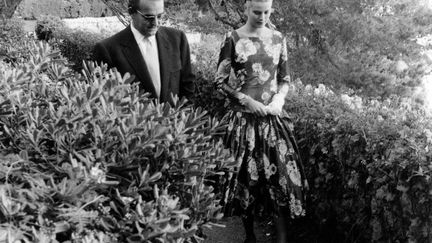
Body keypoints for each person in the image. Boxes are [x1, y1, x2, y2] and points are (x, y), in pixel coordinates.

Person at [214, 0, 308, 242]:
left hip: (271, 120)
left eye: (267, 11)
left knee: (281, 178)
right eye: (257, 11)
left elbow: (285, 79)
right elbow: (220, 81)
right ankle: (249, 235)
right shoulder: (232, 38)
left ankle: (282, 238)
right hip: (243, 120)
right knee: (246, 180)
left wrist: (279, 99)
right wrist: (246, 100)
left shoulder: (278, 39)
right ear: (246, 9)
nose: (262, 16)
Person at [93, 0, 195, 104]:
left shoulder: (177, 39)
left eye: (160, 16)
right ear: (131, 12)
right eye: (149, 17)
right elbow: (105, 100)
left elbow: (187, 84)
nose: (156, 23)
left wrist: (181, 117)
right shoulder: (107, 50)